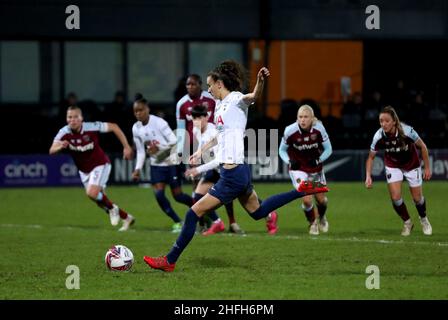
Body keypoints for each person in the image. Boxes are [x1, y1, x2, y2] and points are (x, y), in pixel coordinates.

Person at [143, 61, 329, 272]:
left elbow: (253, 97)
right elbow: (219, 136)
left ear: (220, 84)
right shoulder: (219, 106)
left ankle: (169, 260)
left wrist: (259, 82)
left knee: (192, 213)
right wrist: (200, 151)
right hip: (238, 171)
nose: (208, 89)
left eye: (210, 85)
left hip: (232, 175)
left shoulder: (235, 99)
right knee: (258, 212)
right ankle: (301, 190)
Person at [49, 106, 135, 231]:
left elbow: (114, 127)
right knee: (99, 200)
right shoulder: (64, 132)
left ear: (81, 118)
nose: (72, 120)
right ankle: (127, 218)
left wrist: (126, 147)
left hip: (100, 164)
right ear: (66, 119)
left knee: (92, 193)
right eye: (69, 117)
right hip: (84, 171)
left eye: (76, 117)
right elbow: (52, 150)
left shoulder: (91, 127)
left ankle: (113, 209)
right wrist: (60, 146)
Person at [365, 106, 432, 236]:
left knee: (417, 198)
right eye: (381, 121)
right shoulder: (378, 136)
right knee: (395, 197)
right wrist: (368, 175)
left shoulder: (407, 131)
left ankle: (423, 219)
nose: (383, 124)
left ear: (394, 121)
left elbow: (423, 147)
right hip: (393, 165)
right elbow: (371, 157)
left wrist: (427, 167)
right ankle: (407, 223)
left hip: (411, 164)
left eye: (386, 121)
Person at [131, 94, 193, 233]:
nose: (138, 113)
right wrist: (137, 169)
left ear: (147, 109)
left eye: (141, 110)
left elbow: (174, 141)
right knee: (159, 195)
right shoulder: (136, 128)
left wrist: (159, 148)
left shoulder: (159, 123)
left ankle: (202, 213)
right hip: (156, 165)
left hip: (171, 162)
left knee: (178, 196)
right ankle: (178, 221)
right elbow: (141, 152)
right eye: (135, 111)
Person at [184, 105, 246, 235]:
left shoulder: (214, 132)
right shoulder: (196, 131)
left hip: (228, 168)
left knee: (247, 200)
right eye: (194, 118)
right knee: (197, 195)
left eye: (200, 117)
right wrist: (197, 156)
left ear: (206, 117)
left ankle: (269, 215)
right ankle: (217, 222)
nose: (197, 121)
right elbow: (206, 153)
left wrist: (198, 169)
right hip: (214, 170)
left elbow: (218, 160)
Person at [279, 105, 333, 235]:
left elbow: (328, 149)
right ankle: (312, 223)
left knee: (321, 200)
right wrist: (289, 161)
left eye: (305, 117)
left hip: (315, 168)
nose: (302, 120)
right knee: (307, 198)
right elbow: (282, 150)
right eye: (300, 117)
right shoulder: (290, 131)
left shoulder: (319, 129)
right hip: (298, 169)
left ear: (312, 118)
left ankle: (322, 217)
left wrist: (318, 160)